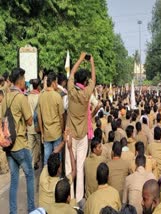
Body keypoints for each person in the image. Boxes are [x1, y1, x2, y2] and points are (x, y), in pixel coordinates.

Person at [2, 68, 35, 213]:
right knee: (30, 175)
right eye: (24, 79)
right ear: (20, 80)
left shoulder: (6, 97)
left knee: (14, 180)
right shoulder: (21, 98)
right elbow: (29, 121)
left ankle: (13, 211)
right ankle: (31, 209)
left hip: (9, 144)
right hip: (20, 143)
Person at [65, 52, 96, 203]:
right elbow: (94, 80)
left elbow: (71, 73)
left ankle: (68, 195)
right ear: (85, 81)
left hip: (69, 134)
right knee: (80, 167)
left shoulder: (70, 91)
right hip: (82, 135)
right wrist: (92, 62)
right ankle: (78, 199)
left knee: (69, 167)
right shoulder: (86, 94)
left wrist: (80, 58)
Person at [39, 130, 76, 210]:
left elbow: (53, 154)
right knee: (75, 203)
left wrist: (63, 141)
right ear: (59, 168)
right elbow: (74, 171)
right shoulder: (61, 185)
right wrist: (70, 148)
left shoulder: (43, 174)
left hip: (42, 211)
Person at [38, 72, 64, 165]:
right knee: (57, 157)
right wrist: (62, 130)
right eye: (56, 82)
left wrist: (42, 132)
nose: (57, 84)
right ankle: (57, 178)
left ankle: (45, 177)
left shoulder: (41, 96)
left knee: (46, 158)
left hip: (46, 133)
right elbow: (61, 116)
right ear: (53, 83)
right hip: (57, 132)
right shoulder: (57, 96)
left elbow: (39, 117)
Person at [27, 78, 41, 169]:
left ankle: (30, 163)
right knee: (38, 146)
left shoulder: (28, 96)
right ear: (38, 86)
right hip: (38, 126)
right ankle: (35, 161)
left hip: (29, 125)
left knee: (30, 146)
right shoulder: (40, 96)